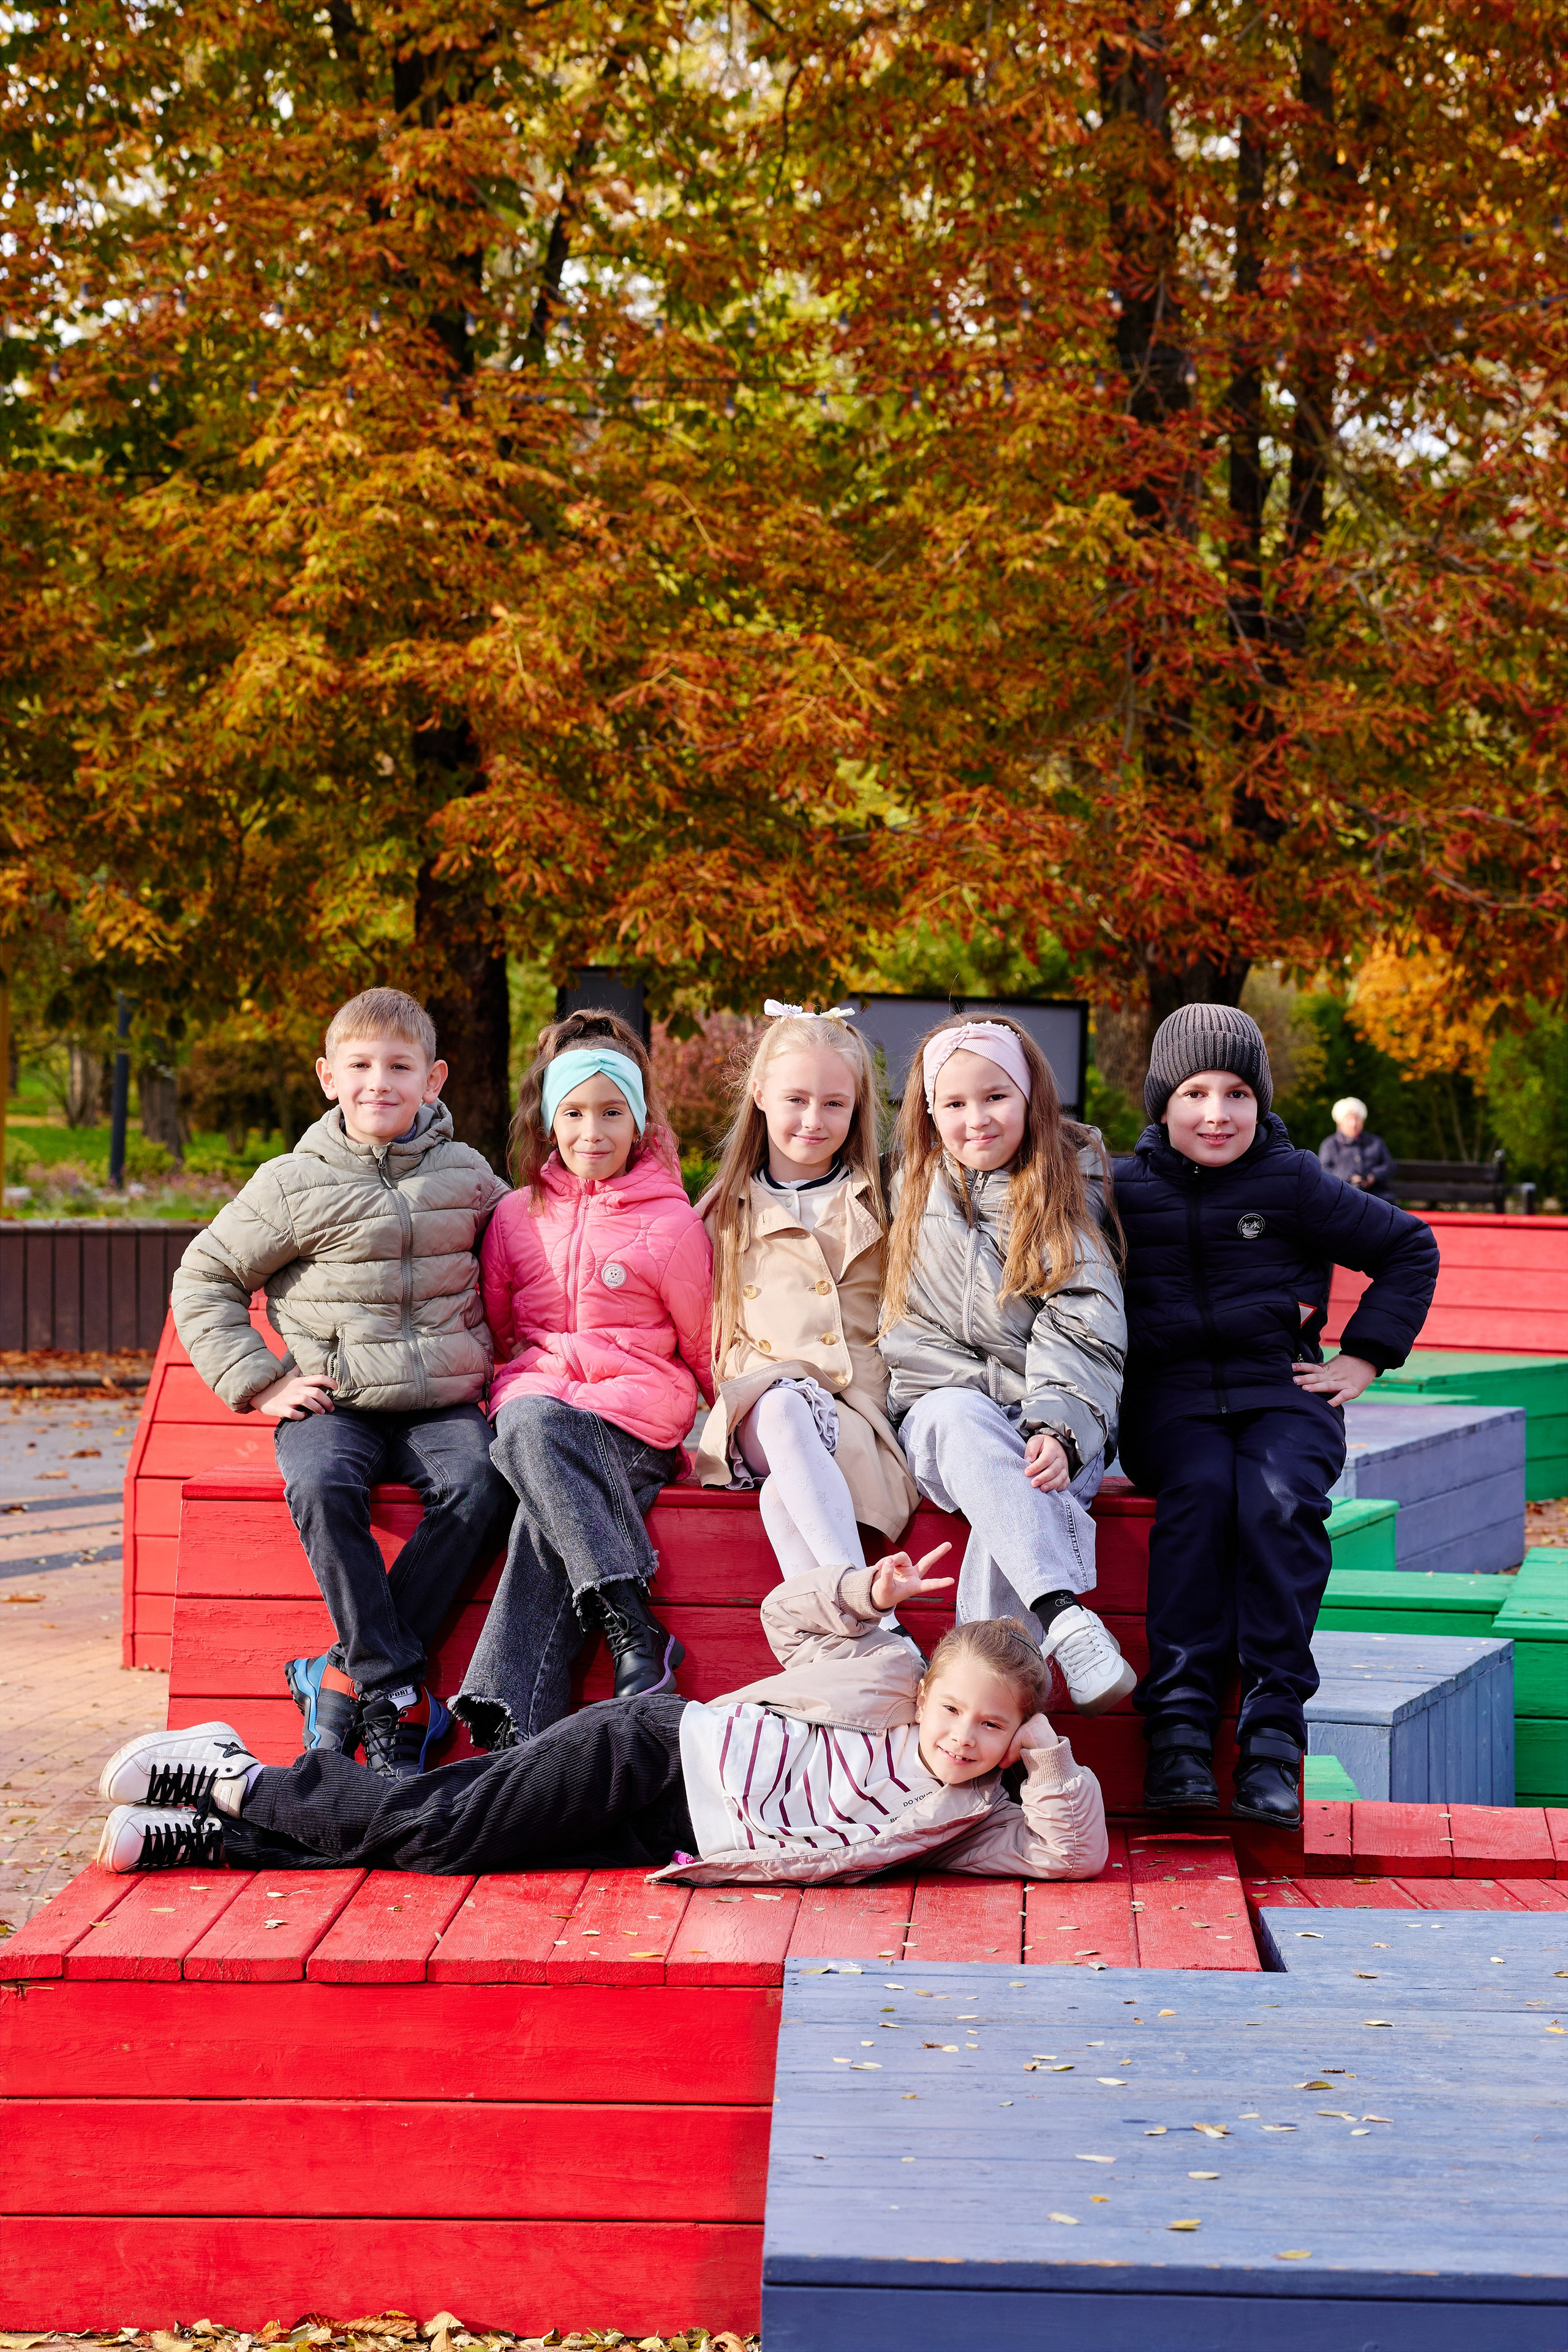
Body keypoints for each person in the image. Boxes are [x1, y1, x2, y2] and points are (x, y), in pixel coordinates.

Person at [92, 1544, 1109, 1883]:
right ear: (927, 1687)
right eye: (955, 1710)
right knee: (443, 1827)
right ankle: (237, 1777)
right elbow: (786, 1617)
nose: (960, 1737)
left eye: (990, 1729)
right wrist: (864, 1597)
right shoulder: (885, 1680)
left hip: (664, 1835)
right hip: (657, 1752)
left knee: (453, 1846)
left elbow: (1071, 1856)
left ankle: (209, 1837)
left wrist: (1048, 1757)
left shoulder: (976, 1820)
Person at [169, 989, 515, 1781]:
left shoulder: (466, 1176)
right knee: (322, 1484)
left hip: (443, 1402)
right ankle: (392, 1691)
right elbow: (206, 1277)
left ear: (434, 1080)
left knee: (481, 1484)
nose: (378, 1082)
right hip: (335, 1397)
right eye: (359, 1065)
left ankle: (336, 1675)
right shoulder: (292, 1182)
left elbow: (525, 1262)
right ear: (329, 1077)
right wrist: (260, 1383)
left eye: (399, 1066)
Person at [1114, 1005, 1440, 1828]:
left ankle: (1270, 1735)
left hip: (1282, 1394)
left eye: (1235, 1093)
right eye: (1193, 1092)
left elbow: (1409, 1247)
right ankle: (1181, 1731)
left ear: (1261, 1101)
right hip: (1171, 1402)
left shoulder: (1292, 1180)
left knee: (1280, 1501)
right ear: (1161, 1101)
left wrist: (1364, 1354)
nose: (1216, 1113)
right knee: (1198, 1502)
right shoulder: (1118, 1190)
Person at [450, 1009, 714, 1751]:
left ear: (638, 1124)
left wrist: (738, 1442)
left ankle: (511, 1719)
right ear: (548, 1120)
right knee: (532, 1435)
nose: (590, 1131)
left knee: (534, 1448)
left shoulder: (672, 1225)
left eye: (610, 1113)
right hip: (542, 1409)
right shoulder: (513, 1217)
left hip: (632, 1427)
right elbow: (504, 1332)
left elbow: (704, 1344)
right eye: (573, 1112)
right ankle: (627, 1626)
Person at [878, 1012, 1135, 1716]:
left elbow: (1082, 1319)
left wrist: (1056, 1428)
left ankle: (981, 1746)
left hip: (1051, 1417)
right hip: (944, 1413)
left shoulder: (1063, 1189)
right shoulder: (908, 1186)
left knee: (1019, 1482)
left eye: (995, 1097)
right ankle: (1064, 1616)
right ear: (930, 1112)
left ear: (1029, 1098)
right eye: (954, 1103)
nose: (976, 1119)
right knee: (967, 1422)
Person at [693, 1002, 918, 1581]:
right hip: (762, 1411)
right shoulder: (721, 1214)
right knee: (786, 1407)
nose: (813, 1119)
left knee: (782, 1500)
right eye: (796, 1099)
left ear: (857, 1107)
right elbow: (700, 1331)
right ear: (761, 1093)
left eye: (834, 1103)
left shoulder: (886, 1203)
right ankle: (860, 1592)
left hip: (855, 1411)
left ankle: (845, 1632)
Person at [1319, 1097, 1396, 1197]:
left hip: (1377, 1195)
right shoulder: (1329, 1144)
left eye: (1357, 1118)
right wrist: (1350, 1177)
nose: (1354, 1124)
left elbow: (1389, 1165)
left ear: (1363, 1121)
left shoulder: (1376, 1142)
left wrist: (1373, 1176)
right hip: (1342, 1195)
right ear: (1339, 1123)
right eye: (1349, 1119)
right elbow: (1324, 1169)